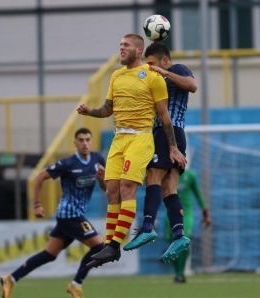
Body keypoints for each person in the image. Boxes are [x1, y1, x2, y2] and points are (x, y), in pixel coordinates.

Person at [76, 33, 187, 268]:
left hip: (141, 139)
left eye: (125, 45)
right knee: (111, 191)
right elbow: (108, 109)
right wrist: (90, 111)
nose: (121, 48)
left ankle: (117, 243)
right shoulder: (116, 76)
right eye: (120, 45)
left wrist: (173, 147)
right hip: (119, 139)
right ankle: (110, 244)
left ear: (139, 50)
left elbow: (164, 115)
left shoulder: (152, 76)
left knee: (128, 187)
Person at [0, 127, 106, 298]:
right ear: (75, 143)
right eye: (81, 140)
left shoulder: (97, 160)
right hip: (68, 215)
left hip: (76, 215)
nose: (85, 143)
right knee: (99, 247)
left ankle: (11, 278)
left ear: (92, 142)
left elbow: (104, 188)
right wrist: (37, 204)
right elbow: (40, 177)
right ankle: (76, 285)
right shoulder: (68, 163)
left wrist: (102, 178)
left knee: (49, 254)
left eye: (88, 139)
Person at [122, 42, 197, 262]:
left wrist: (163, 72)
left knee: (152, 177)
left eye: (152, 63)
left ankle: (147, 227)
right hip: (169, 133)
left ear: (164, 60)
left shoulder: (177, 70)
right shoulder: (153, 79)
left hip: (169, 131)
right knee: (168, 188)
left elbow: (192, 85)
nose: (150, 67)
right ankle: (179, 236)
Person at [164, 168, 211, 283]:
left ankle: (180, 274)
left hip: (186, 214)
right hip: (170, 213)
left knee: (183, 239)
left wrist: (205, 214)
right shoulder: (165, 175)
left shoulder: (190, 176)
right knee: (172, 242)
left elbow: (198, 195)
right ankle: (177, 272)